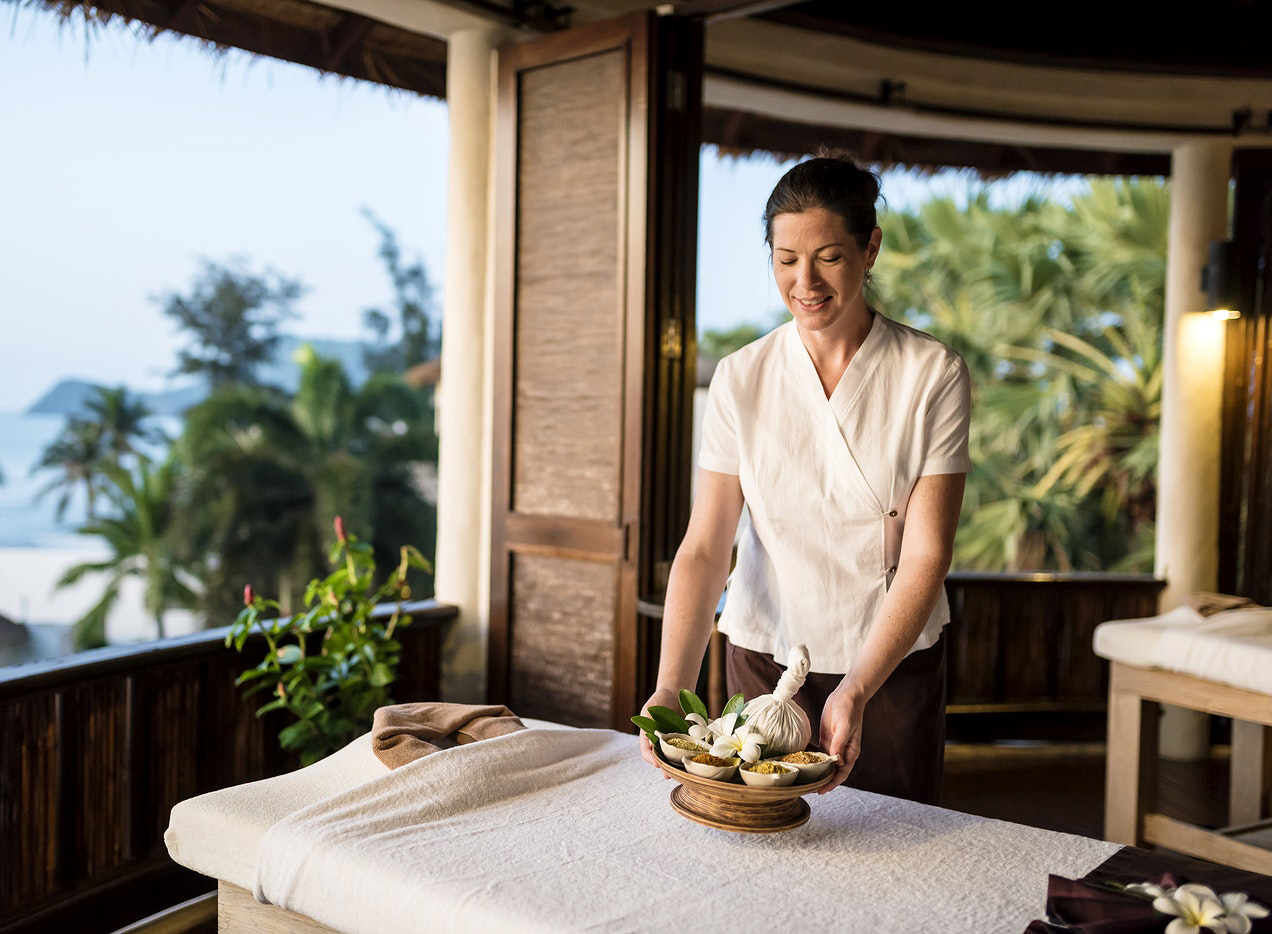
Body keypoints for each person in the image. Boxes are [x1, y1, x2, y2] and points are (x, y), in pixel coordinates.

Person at [639, 151, 971, 805]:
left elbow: (927, 553)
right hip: (766, 656)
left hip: (889, 662)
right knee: (761, 839)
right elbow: (706, 546)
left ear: (869, 249)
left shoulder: (931, 374)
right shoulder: (741, 377)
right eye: (786, 259)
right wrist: (671, 684)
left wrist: (857, 688)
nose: (805, 281)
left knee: (895, 842)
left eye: (828, 257)